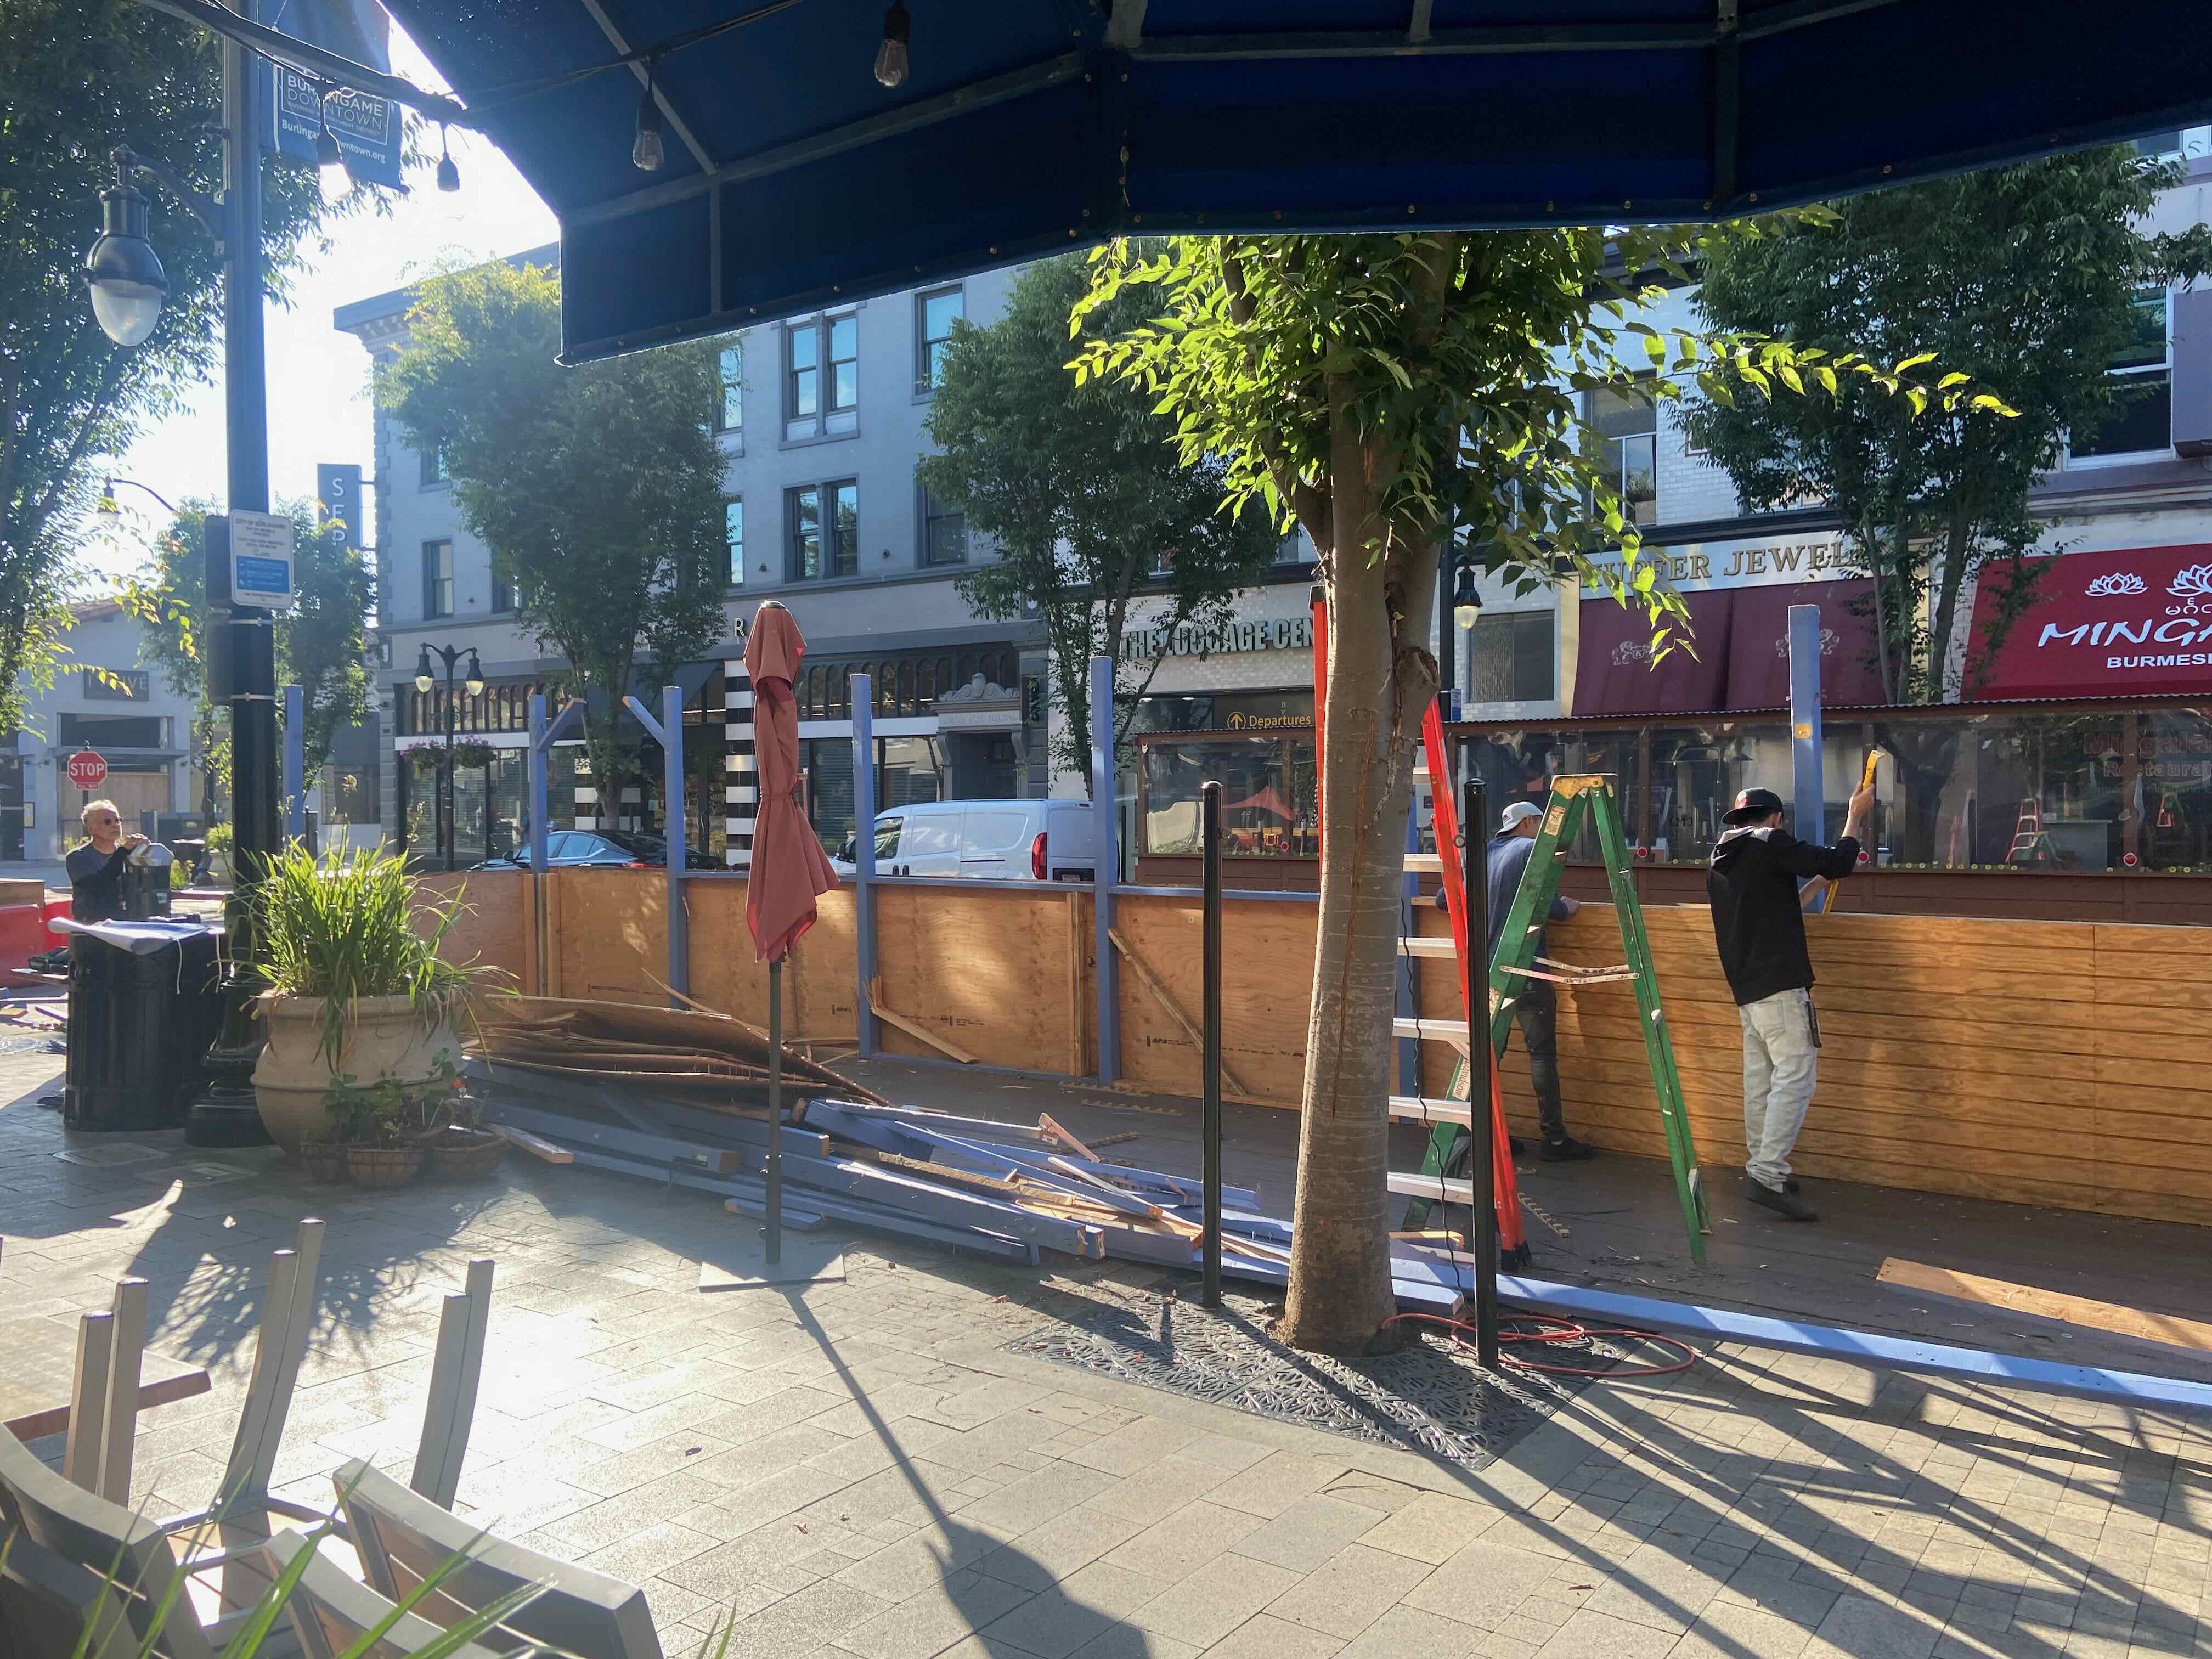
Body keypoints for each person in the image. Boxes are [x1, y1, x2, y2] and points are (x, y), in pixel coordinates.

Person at [1707, 781, 1874, 1222]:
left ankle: (1763, 1167)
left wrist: (1817, 884)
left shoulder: (1721, 857)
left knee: (1761, 1080)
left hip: (1747, 988)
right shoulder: (1769, 843)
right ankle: (1766, 1174)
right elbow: (1840, 859)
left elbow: (1774, 910)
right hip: (1780, 984)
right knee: (1796, 1078)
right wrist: (1855, 815)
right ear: (1776, 818)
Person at [1487, 800, 1591, 1162]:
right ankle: (1555, 1140)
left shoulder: (1481, 853)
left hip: (1486, 972)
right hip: (1527, 970)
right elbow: (1550, 906)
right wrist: (1567, 906)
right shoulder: (1533, 849)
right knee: (1542, 1055)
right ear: (1530, 822)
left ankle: (1489, 1135)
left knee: (1486, 1057)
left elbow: (1442, 899)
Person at [66, 799, 146, 922]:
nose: (115, 825)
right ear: (91, 829)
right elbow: (98, 886)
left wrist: (145, 852)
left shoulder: (128, 855)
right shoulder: (78, 857)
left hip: (124, 925)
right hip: (91, 927)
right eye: (107, 822)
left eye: (118, 820)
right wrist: (122, 853)